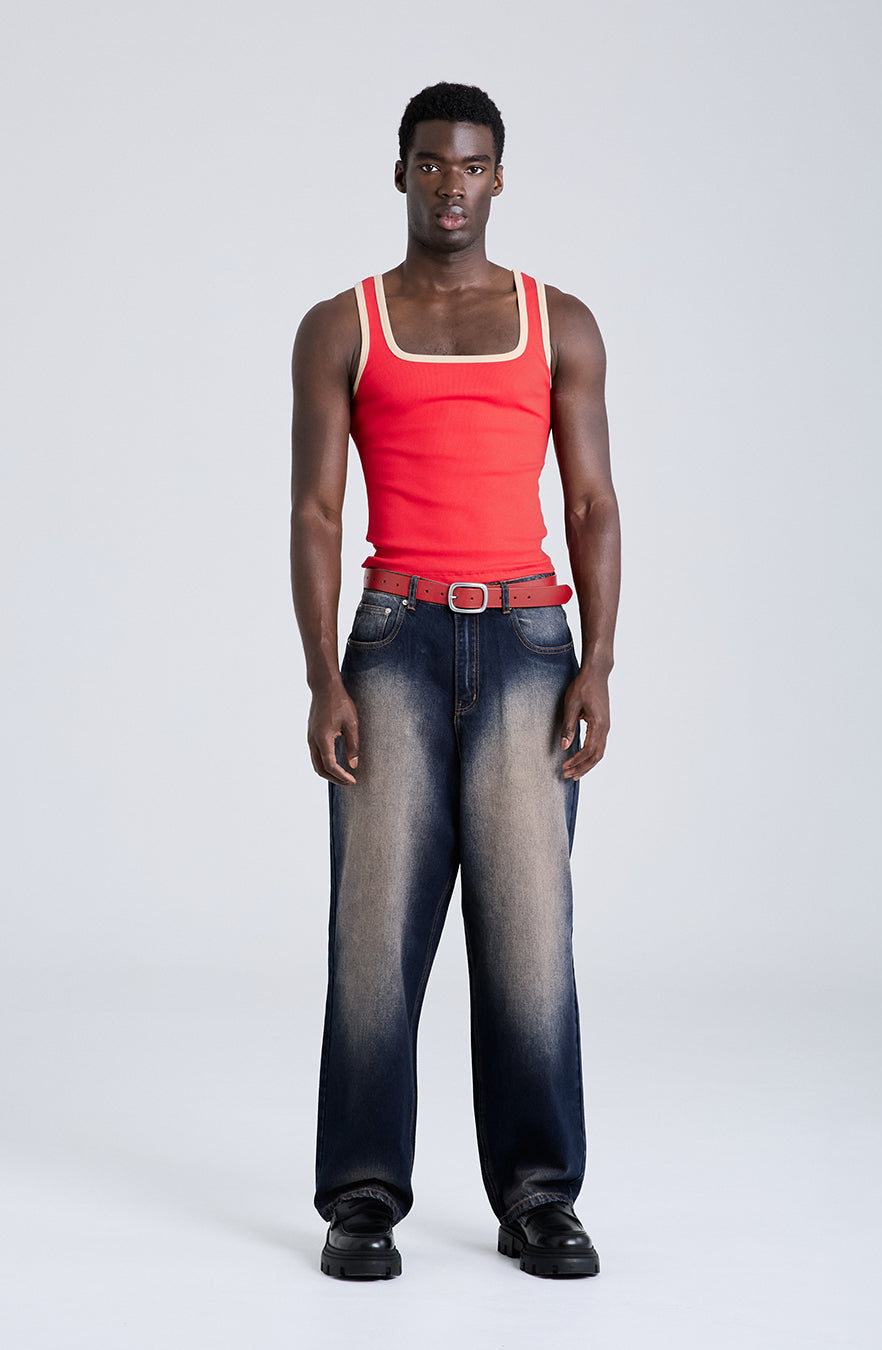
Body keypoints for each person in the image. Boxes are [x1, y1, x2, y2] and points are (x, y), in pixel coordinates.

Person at [290, 81, 620, 1280]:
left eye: (471, 166)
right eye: (429, 165)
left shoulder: (558, 320)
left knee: (531, 929)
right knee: (376, 926)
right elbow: (318, 511)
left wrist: (600, 659)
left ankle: (539, 1196)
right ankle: (363, 1195)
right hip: (394, 644)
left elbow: (590, 501)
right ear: (399, 174)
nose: (449, 186)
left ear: (498, 177)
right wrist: (325, 673)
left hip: (532, 645)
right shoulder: (345, 324)